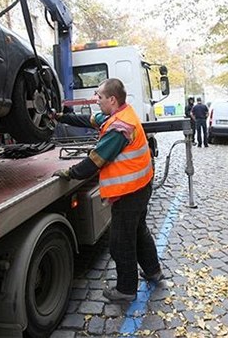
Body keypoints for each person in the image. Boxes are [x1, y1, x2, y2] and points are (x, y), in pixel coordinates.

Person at [52, 78, 163, 301]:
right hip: (140, 187)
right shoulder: (119, 115)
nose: (97, 101)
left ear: (112, 99)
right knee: (139, 231)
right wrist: (61, 117)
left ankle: (126, 290)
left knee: (121, 242)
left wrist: (70, 173)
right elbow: (88, 119)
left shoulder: (119, 127)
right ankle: (153, 271)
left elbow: (96, 160)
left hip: (129, 193)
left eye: (100, 97)